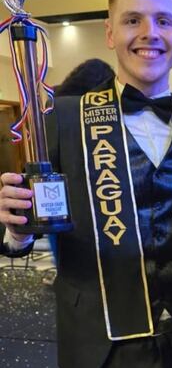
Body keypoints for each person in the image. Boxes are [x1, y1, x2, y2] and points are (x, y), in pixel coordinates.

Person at [0, 0, 172, 368]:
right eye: (132, 20)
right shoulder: (60, 120)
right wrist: (16, 230)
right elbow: (29, 219)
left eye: (163, 21)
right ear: (109, 33)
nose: (149, 34)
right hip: (107, 343)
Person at [43, 58, 116, 283]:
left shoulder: (54, 106)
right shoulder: (93, 112)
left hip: (56, 197)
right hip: (95, 191)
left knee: (65, 253)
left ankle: (67, 280)